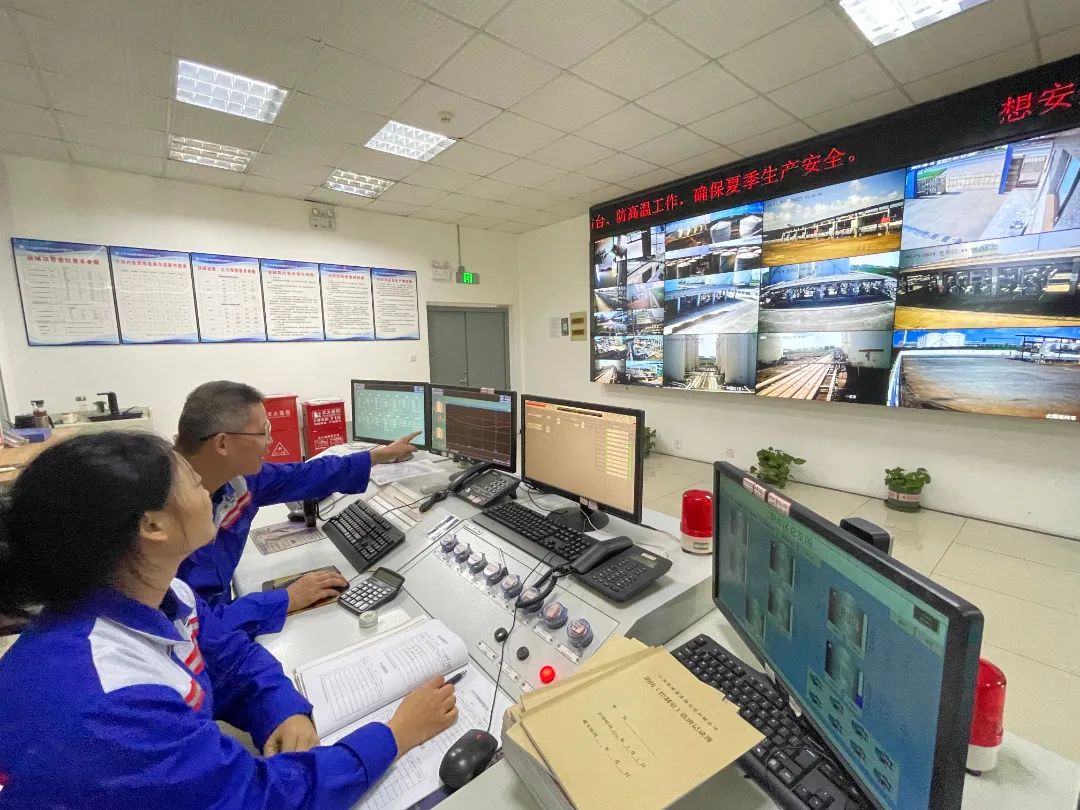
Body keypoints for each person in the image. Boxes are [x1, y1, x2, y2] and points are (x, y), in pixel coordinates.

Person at [0, 432, 457, 807]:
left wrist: (279, 707)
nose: (208, 491)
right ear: (153, 527)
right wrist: (395, 736)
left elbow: (226, 657)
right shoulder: (113, 705)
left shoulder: (160, 596)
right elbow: (255, 799)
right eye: (193, 483)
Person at [174, 381, 418, 638]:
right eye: (262, 433)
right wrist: (285, 599)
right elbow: (192, 630)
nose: (270, 441)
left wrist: (378, 456)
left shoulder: (236, 480)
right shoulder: (163, 524)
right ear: (222, 444)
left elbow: (305, 474)